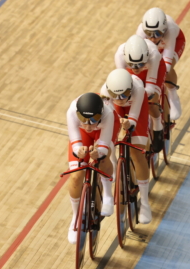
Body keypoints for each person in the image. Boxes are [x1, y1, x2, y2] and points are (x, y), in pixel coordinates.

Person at [66, 92, 120, 244]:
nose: (89, 125)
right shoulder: (71, 113)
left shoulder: (108, 114)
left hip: (106, 128)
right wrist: (80, 151)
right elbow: (75, 145)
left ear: (100, 114)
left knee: (103, 158)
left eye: (93, 120)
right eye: (84, 120)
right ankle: (75, 218)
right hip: (81, 133)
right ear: (78, 115)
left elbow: (103, 147)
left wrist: (99, 153)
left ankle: (108, 195)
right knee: (76, 175)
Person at [100, 69, 153, 224]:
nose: (120, 99)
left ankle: (144, 203)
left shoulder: (138, 88)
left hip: (136, 109)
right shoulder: (105, 93)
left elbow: (134, 118)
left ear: (130, 89)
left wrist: (128, 123)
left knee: (136, 152)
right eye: (116, 96)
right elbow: (107, 123)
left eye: (124, 95)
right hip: (115, 112)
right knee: (109, 142)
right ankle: (116, 167)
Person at [115, 34, 167, 153]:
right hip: (134, 74)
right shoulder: (119, 56)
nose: (136, 67)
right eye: (132, 64)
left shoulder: (154, 55)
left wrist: (139, 98)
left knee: (151, 101)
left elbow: (149, 88)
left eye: (140, 64)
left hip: (155, 70)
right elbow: (123, 82)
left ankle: (158, 126)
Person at [136, 7, 186, 121]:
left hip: (174, 42)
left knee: (166, 69)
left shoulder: (171, 30)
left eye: (157, 33)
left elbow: (166, 64)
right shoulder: (141, 32)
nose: (153, 38)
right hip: (155, 49)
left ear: (164, 29)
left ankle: (173, 95)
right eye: (149, 33)